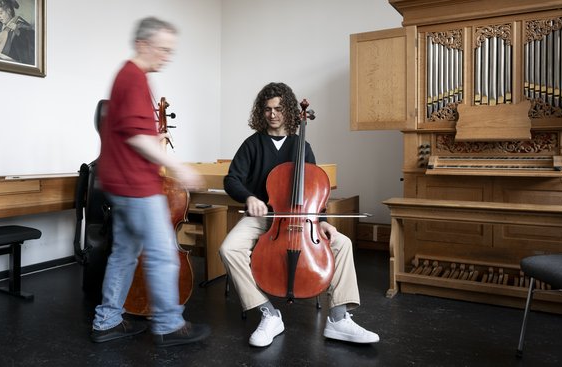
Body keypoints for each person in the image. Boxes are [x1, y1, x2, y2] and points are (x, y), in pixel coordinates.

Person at [219, 82, 379, 347]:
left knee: (342, 243)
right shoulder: (252, 144)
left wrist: (323, 223)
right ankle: (268, 314)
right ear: (262, 112)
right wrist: (250, 198)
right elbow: (231, 179)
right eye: (268, 109)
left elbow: (316, 195)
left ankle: (339, 319)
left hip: (304, 221)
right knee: (229, 248)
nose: (273, 114)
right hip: (265, 218)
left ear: (290, 111)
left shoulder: (302, 146)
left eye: (278, 108)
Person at [91, 16, 210, 347]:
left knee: (124, 254)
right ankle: (169, 325)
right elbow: (137, 138)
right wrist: (180, 167)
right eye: (163, 49)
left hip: (121, 184)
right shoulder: (134, 78)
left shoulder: (129, 76)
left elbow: (132, 131)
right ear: (143, 44)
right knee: (162, 255)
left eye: (171, 50)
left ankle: (107, 321)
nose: (167, 56)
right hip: (137, 185)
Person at [0, 0, 35, 65]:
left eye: (0, 13)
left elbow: (31, 47)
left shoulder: (22, 26)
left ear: (9, 10)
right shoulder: (5, 28)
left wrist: (18, 33)